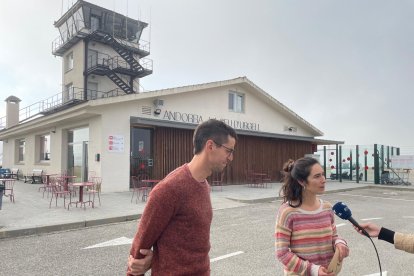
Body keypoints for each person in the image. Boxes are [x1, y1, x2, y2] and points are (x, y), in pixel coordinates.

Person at [127, 119, 237, 276]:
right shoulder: (170, 189)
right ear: (210, 146)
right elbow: (138, 251)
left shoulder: (204, 185)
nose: (231, 158)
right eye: (229, 151)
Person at [275, 157, 350, 276]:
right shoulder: (287, 212)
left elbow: (333, 236)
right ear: (302, 181)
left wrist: (340, 243)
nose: (323, 180)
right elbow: (282, 253)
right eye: (317, 176)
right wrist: (314, 270)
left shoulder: (327, 208)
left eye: (323, 174)